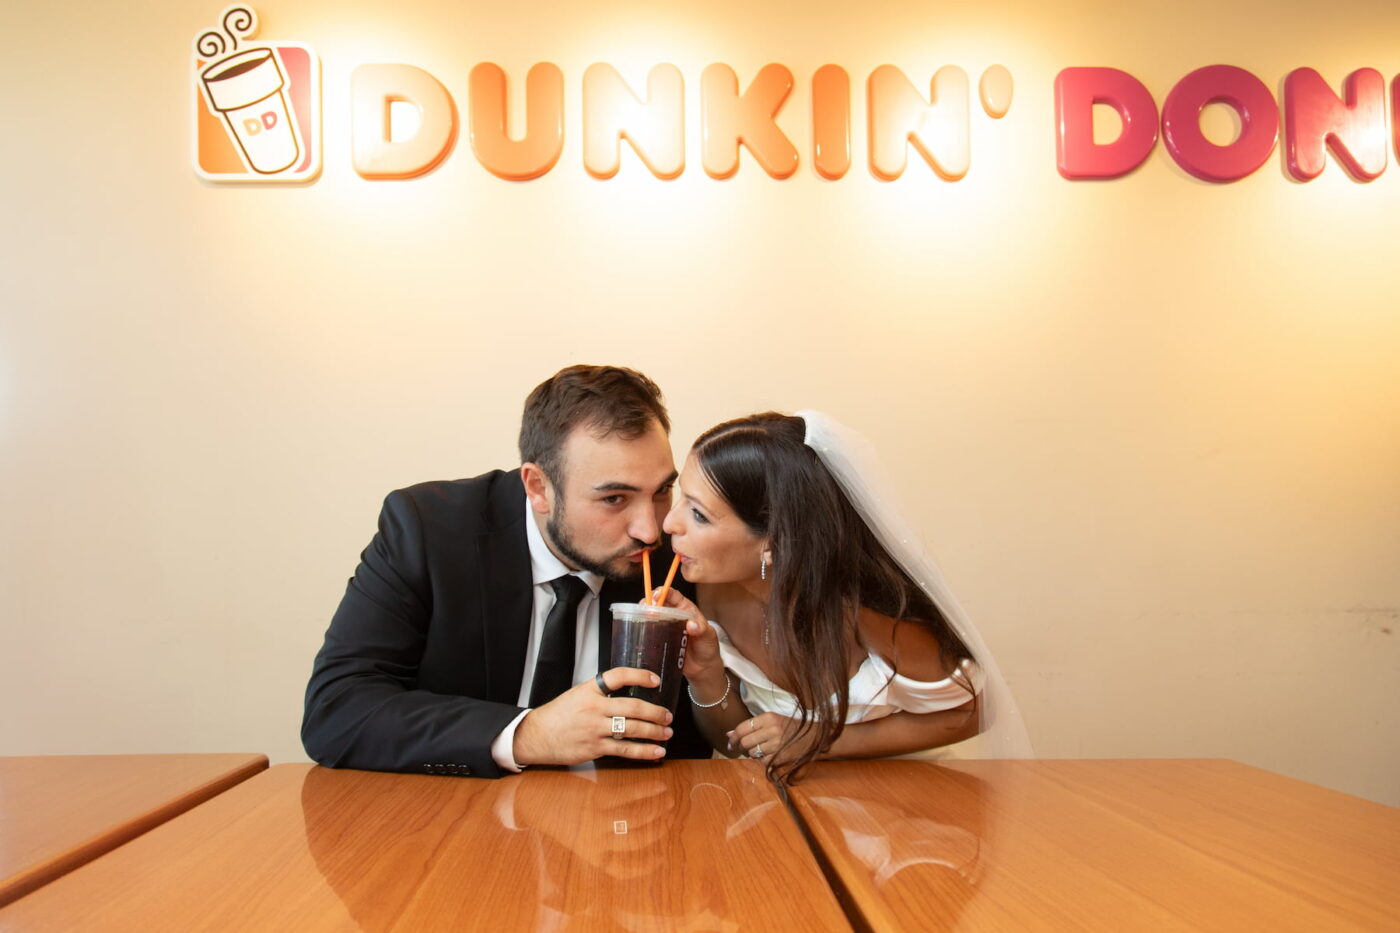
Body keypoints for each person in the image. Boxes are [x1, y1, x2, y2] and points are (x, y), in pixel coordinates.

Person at [301, 365, 713, 777]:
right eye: (614, 499)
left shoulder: (675, 556)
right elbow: (337, 710)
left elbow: (686, 752)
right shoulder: (429, 532)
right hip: (450, 821)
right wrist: (528, 734)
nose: (649, 529)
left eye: (661, 490)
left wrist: (707, 679)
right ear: (537, 488)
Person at [654, 411, 1033, 782]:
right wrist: (706, 674)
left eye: (699, 514)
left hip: (907, 804)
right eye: (681, 497)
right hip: (786, 806)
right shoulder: (707, 584)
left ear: (774, 540)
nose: (669, 523)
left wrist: (820, 738)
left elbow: (973, 710)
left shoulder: (869, 610)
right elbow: (738, 743)